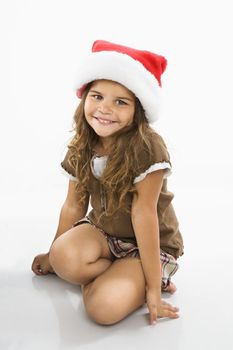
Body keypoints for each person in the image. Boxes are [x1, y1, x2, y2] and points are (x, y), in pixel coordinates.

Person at [31, 40, 184, 326]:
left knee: (102, 310)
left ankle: (145, 278)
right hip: (105, 234)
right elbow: (73, 204)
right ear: (84, 97)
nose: (105, 109)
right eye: (97, 96)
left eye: (121, 102)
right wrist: (52, 257)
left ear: (137, 110)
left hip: (148, 242)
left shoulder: (147, 148)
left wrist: (152, 289)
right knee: (63, 256)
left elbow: (144, 215)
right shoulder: (83, 144)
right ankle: (119, 275)